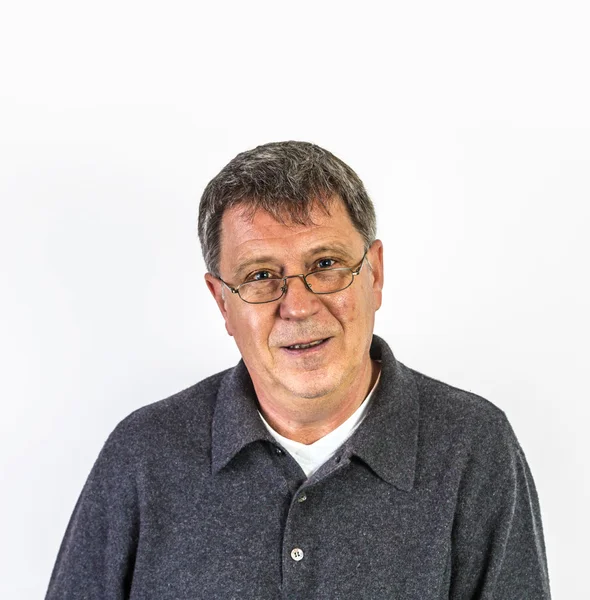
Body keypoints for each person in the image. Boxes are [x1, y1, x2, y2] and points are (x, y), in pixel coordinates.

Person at [46, 141, 552, 599]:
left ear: (374, 274)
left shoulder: (475, 446)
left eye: (326, 264)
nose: (299, 306)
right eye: (261, 275)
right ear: (222, 302)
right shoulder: (141, 455)